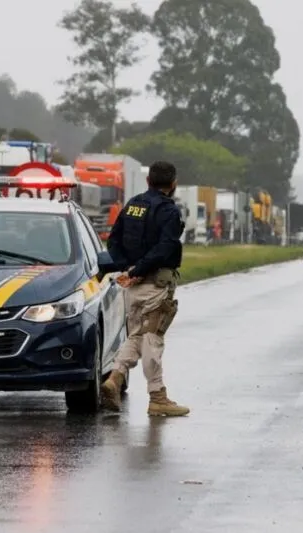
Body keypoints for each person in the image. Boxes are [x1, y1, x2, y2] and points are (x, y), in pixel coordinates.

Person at [101, 161, 190, 417]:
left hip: (132, 286)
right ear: (173, 184)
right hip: (154, 285)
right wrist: (138, 270)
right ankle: (158, 397)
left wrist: (126, 268)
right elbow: (164, 248)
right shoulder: (169, 212)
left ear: (148, 180)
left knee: (136, 336)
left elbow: (114, 239)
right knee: (152, 339)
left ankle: (115, 378)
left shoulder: (133, 205)